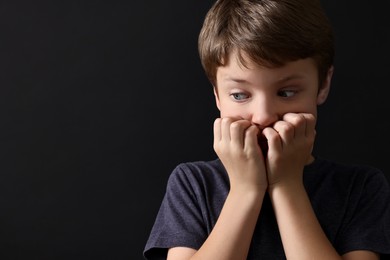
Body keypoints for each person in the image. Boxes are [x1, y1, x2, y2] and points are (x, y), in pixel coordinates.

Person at [143, 0, 390, 259]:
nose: (263, 116)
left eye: (286, 92)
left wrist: (286, 185)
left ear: (323, 85)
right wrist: (245, 190)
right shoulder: (193, 184)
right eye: (239, 95)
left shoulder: (361, 188)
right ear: (217, 94)